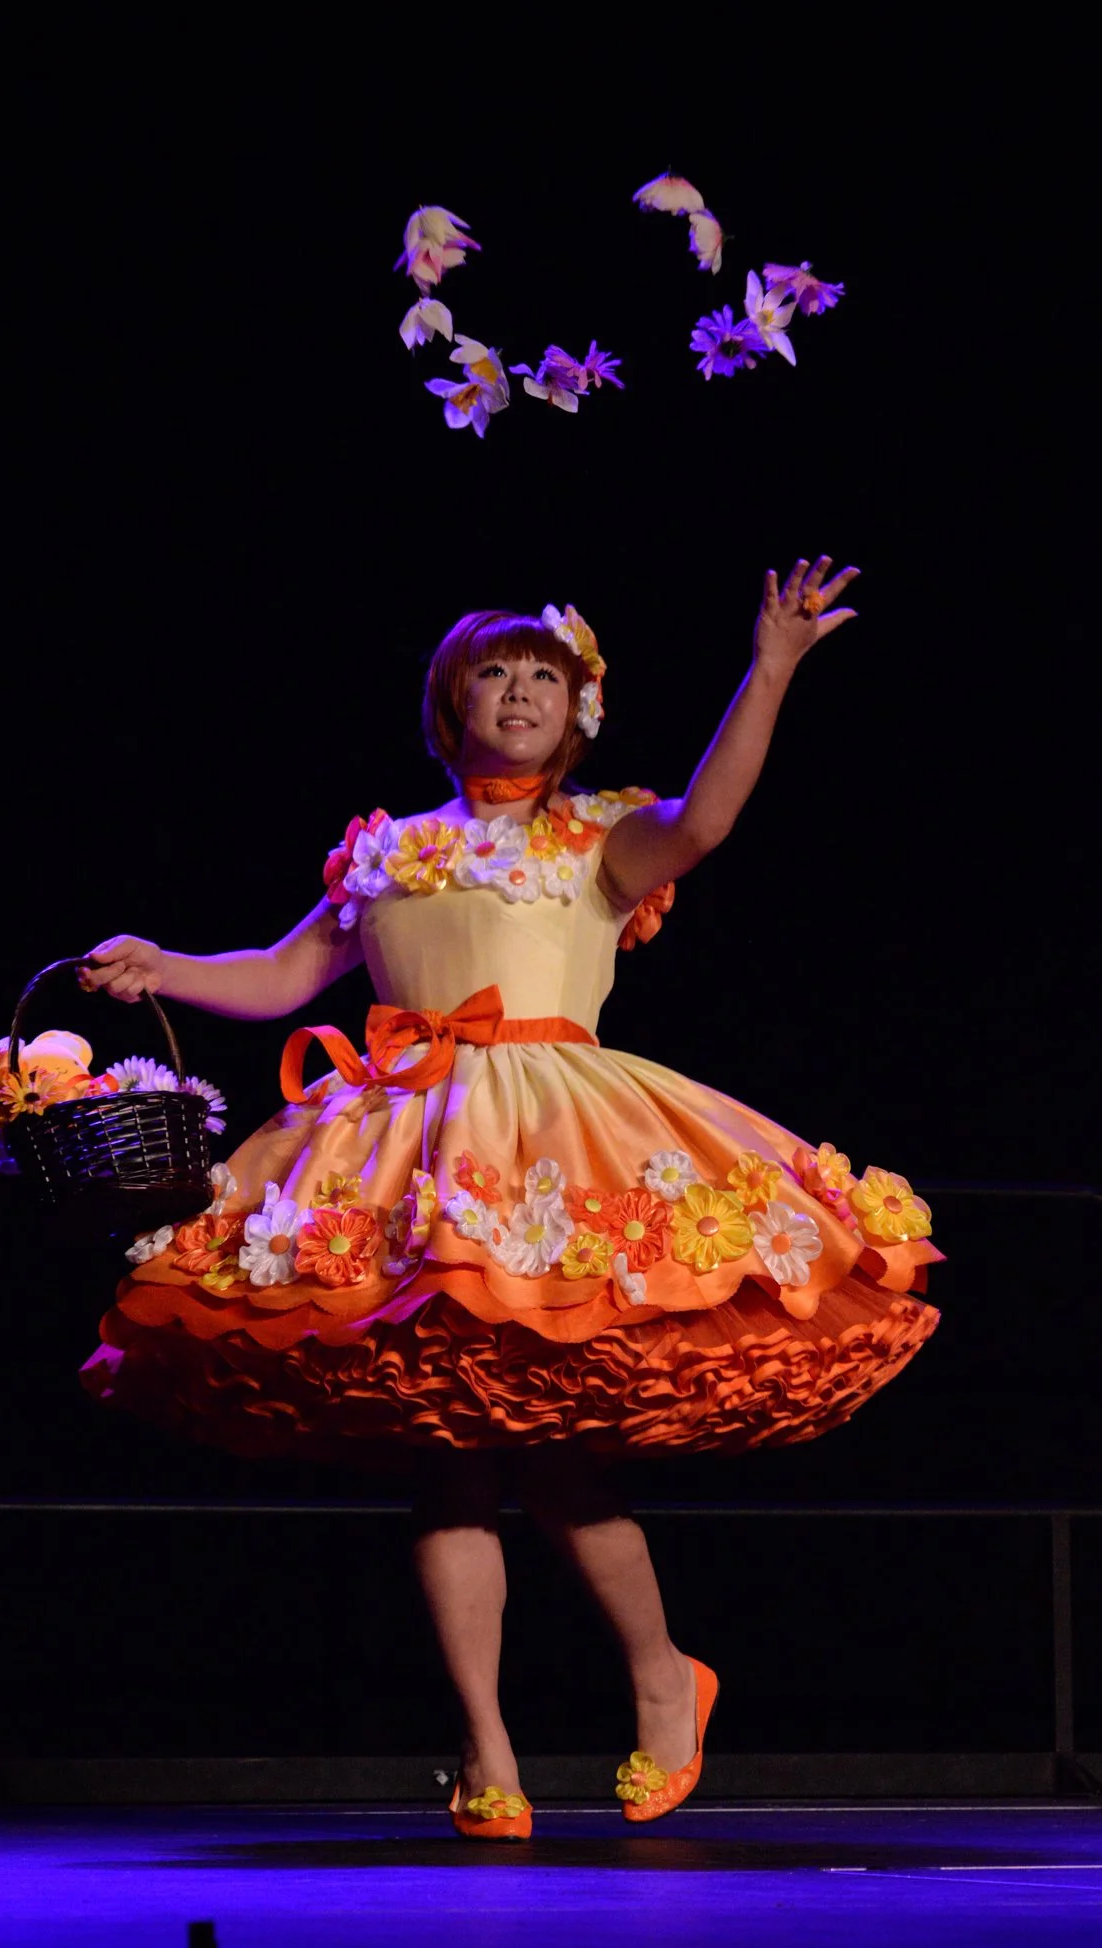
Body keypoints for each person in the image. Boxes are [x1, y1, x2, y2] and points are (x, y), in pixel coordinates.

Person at [78, 556, 942, 1840]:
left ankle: (662, 1675)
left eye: (547, 672)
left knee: (555, 1454)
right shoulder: (389, 850)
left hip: (549, 1148)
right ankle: (485, 1747)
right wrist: (166, 963)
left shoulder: (598, 837)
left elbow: (705, 821)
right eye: (496, 671)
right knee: (442, 1459)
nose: (522, 689)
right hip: (399, 1158)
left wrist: (768, 667)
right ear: (450, 706)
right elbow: (277, 976)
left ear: (580, 708)